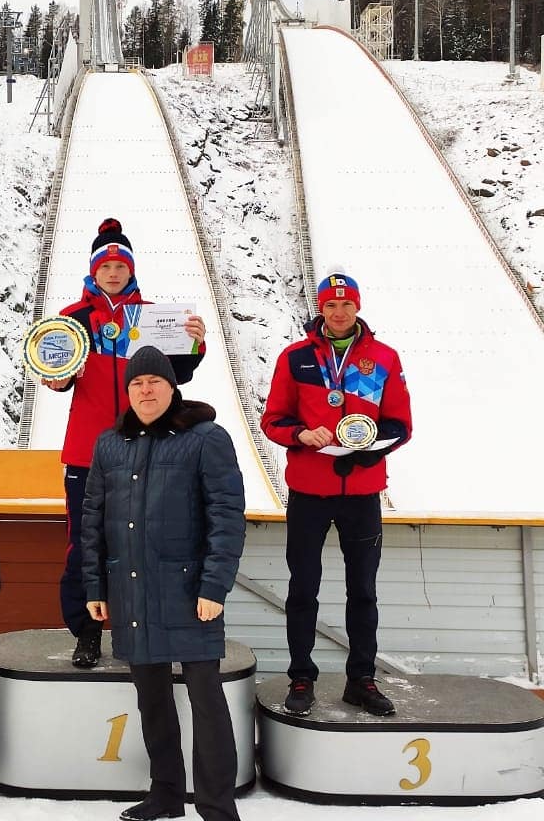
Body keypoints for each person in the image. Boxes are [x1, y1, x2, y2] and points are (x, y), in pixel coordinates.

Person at [83, 346, 246, 821]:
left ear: (173, 388)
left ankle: (217, 807)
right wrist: (94, 587)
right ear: (127, 391)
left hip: (191, 593)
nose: (145, 390)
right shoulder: (110, 444)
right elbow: (92, 520)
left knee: (206, 703)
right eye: (136, 383)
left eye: (154, 381)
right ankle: (166, 794)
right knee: (152, 700)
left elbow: (226, 516)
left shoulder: (205, 438)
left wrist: (215, 587)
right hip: (130, 590)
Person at [43, 218, 207, 669]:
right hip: (87, 450)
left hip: (147, 447)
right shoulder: (72, 319)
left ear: (130, 270)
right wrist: (57, 376)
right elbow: (55, 378)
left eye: (120, 265)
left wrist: (194, 345)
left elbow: (181, 374)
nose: (113, 272)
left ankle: (148, 628)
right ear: (93, 270)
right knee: (85, 541)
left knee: (147, 540)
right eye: (105, 265)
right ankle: (87, 632)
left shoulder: (152, 316)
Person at [261, 270, 412, 718]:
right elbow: (273, 420)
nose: (340, 312)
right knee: (302, 588)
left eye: (347, 305)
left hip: (362, 491)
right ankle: (301, 677)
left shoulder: (382, 358)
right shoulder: (295, 358)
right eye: (331, 305)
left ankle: (361, 680)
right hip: (309, 490)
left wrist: (367, 451)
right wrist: (303, 434)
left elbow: (400, 425)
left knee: (363, 590)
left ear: (358, 307)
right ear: (321, 310)